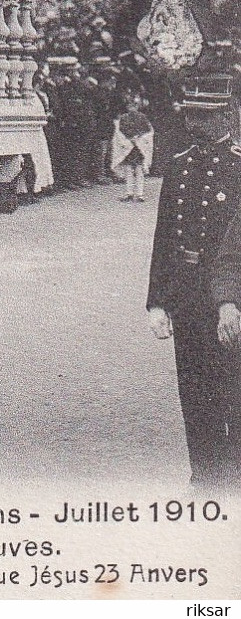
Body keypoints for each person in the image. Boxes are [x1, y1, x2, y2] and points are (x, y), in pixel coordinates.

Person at [147, 75, 241, 490]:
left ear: (226, 115)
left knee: (233, 387)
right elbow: (164, 238)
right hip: (187, 293)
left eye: (203, 116)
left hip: (231, 294)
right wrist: (157, 301)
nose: (193, 124)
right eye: (190, 115)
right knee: (195, 387)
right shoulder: (179, 165)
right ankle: (204, 475)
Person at [113, 93, 154, 203]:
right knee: (128, 169)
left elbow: (148, 131)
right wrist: (128, 139)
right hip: (128, 146)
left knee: (139, 169)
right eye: (130, 105)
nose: (132, 108)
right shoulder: (123, 118)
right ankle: (129, 193)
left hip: (139, 147)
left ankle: (140, 194)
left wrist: (139, 137)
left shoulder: (143, 117)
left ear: (137, 106)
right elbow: (120, 131)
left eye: (134, 105)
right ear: (127, 107)